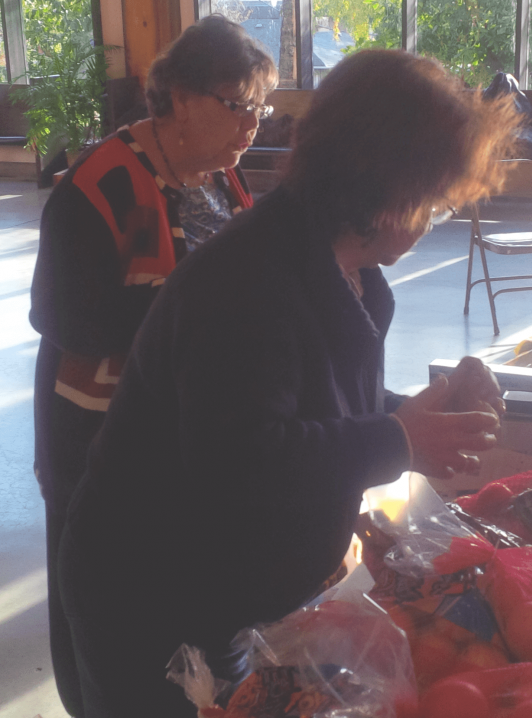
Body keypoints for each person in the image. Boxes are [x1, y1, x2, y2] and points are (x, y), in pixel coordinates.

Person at [57, 49, 520, 717]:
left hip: (233, 588)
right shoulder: (246, 283)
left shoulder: (338, 264)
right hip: (151, 595)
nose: (430, 222)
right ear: (383, 188)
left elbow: (310, 404)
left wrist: (419, 415)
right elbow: (242, 457)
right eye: (436, 202)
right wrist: (397, 437)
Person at [28, 16, 277, 718]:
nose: (251, 126)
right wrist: (188, 315)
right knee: (116, 616)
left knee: (184, 599)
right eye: (238, 105)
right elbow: (66, 319)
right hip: (105, 439)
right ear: (177, 97)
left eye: (261, 109)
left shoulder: (223, 181)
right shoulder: (96, 187)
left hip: (192, 430)